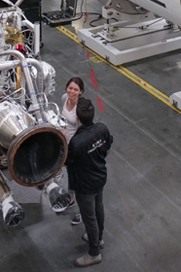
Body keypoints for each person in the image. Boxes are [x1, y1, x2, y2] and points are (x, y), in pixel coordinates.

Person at [67, 99, 113, 267]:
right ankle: (98, 238)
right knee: (98, 208)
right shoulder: (102, 129)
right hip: (100, 177)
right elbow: (108, 145)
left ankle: (94, 253)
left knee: (90, 218)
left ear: (78, 117)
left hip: (85, 185)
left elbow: (68, 161)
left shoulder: (77, 142)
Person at [60, 78, 84, 223]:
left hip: (75, 148)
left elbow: (82, 131)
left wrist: (72, 146)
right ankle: (71, 198)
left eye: (75, 89)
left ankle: (83, 212)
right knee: (70, 173)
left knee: (79, 179)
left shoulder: (80, 108)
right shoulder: (64, 98)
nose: (72, 92)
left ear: (81, 92)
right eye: (70, 88)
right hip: (65, 144)